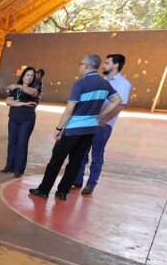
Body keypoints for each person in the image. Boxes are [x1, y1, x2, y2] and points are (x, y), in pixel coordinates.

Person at [29, 54, 122, 201]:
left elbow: (69, 109)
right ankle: (62, 192)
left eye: (80, 64)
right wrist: (100, 115)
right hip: (90, 129)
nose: (79, 67)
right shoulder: (104, 83)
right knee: (75, 162)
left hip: (74, 129)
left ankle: (44, 190)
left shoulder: (80, 84)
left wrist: (59, 128)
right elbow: (117, 100)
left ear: (85, 65)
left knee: (56, 160)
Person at [74, 54, 132, 194]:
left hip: (103, 126)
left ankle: (91, 183)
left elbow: (119, 105)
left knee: (97, 154)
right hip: (90, 122)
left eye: (107, 63)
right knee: (83, 152)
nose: (104, 65)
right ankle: (78, 180)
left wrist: (104, 121)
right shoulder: (103, 80)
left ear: (116, 65)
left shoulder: (124, 84)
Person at [1, 66, 39, 177]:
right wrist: (22, 103)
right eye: (27, 74)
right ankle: (9, 167)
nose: (29, 77)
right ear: (23, 76)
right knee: (12, 143)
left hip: (26, 120)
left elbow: (32, 93)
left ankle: (19, 169)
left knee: (22, 144)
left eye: (32, 75)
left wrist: (17, 85)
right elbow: (8, 101)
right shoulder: (14, 90)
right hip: (13, 119)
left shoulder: (35, 88)